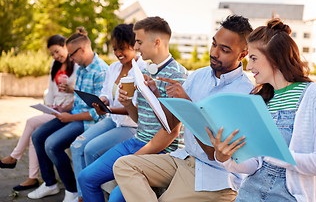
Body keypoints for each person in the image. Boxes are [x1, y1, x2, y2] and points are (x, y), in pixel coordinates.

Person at [113, 15, 256, 201]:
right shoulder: (198, 76)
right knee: (123, 165)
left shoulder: (245, 94)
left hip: (216, 175)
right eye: (214, 44)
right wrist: (156, 95)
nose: (214, 52)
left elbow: (213, 153)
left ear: (243, 55)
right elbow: (170, 124)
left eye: (225, 50)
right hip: (185, 158)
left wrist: (189, 105)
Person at [208, 18, 316, 202]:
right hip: (247, 196)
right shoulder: (260, 100)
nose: (249, 66)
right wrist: (227, 157)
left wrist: (277, 154)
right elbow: (253, 164)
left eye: (253, 58)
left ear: (275, 59)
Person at [77, 16, 188, 202]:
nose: (135, 47)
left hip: (161, 151)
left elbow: (172, 132)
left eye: (138, 42)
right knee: (85, 178)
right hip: (137, 141)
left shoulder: (177, 74)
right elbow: (140, 120)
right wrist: (128, 104)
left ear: (157, 42)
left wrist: (134, 158)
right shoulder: (143, 70)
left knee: (115, 197)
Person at [28, 27, 109, 202]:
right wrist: (63, 109)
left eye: (72, 54)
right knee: (37, 135)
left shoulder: (101, 71)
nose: (70, 58)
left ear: (83, 50)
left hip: (86, 121)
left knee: (51, 145)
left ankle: (72, 190)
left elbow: (97, 112)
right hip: (73, 114)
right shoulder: (81, 67)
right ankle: (50, 184)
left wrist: (70, 117)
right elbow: (80, 99)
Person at [70, 23, 147, 202]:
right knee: (79, 144)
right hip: (112, 119)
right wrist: (103, 101)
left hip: (130, 126)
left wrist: (108, 108)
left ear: (134, 45)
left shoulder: (142, 71)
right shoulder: (113, 68)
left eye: (122, 49)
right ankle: (85, 194)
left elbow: (134, 108)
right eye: (115, 49)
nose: (118, 53)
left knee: (90, 149)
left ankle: (91, 191)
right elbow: (105, 91)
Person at [0, 34, 78, 191]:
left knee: (31, 123)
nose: (56, 56)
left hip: (67, 111)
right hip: (54, 108)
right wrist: (48, 104)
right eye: (53, 54)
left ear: (65, 46)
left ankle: (15, 157)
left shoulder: (76, 65)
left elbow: (79, 94)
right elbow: (50, 89)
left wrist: (69, 91)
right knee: (34, 133)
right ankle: (33, 178)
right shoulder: (54, 64)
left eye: (57, 51)